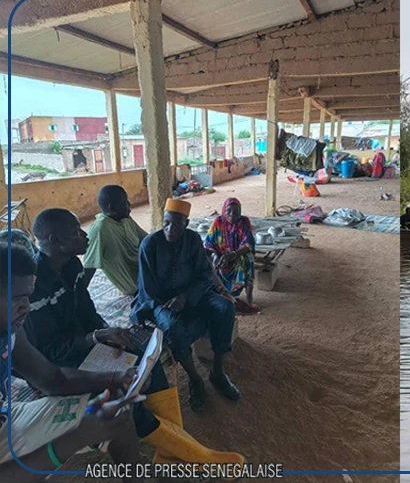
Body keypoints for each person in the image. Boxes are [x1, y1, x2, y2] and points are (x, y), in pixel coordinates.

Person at [24, 210, 244, 467]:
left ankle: (170, 452)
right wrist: (97, 336)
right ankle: (190, 453)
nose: (85, 235)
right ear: (55, 240)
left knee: (148, 355)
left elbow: (87, 312)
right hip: (56, 364)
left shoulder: (72, 266)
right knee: (122, 394)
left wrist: (109, 333)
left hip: (86, 343)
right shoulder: (31, 288)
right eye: (76, 232)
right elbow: (48, 352)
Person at [0, 242, 147, 483]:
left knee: (114, 408)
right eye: (16, 299)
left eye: (27, 296)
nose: (26, 306)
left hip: (6, 419)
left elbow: (52, 379)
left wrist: (116, 378)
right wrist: (76, 437)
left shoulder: (10, 331)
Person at [134, 199, 240, 412]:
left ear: (186, 223)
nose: (170, 229)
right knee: (172, 327)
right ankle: (195, 379)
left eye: (177, 224)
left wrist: (186, 297)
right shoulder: (150, 245)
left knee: (225, 307)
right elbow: (148, 288)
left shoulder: (193, 239)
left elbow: (205, 275)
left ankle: (218, 372)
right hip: (161, 301)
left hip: (193, 294)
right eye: (166, 223)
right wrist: (169, 304)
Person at [81, 185, 148, 296]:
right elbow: (89, 267)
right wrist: (78, 297)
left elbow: (147, 240)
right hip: (136, 284)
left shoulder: (125, 219)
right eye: (124, 202)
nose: (129, 204)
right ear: (112, 208)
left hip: (146, 270)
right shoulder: (100, 229)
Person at [204, 198, 258, 313]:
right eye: (228, 211)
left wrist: (233, 255)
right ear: (224, 211)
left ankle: (249, 297)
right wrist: (215, 256)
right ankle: (220, 295)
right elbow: (208, 243)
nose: (232, 215)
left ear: (240, 212)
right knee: (208, 260)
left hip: (237, 255)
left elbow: (249, 243)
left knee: (248, 257)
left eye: (236, 212)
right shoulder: (218, 222)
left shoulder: (244, 222)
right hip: (220, 257)